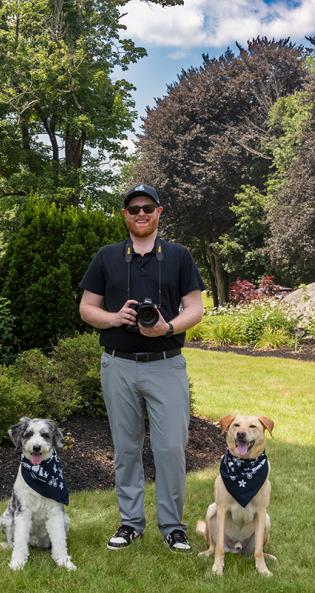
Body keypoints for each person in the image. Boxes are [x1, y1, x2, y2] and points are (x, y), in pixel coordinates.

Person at [79, 183, 205, 552]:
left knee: (170, 449)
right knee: (127, 449)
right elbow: (87, 308)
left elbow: (195, 308)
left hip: (166, 365)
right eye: (133, 208)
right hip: (118, 365)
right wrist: (116, 317)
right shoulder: (107, 257)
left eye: (148, 208)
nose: (141, 214)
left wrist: (167, 327)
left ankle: (173, 527)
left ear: (159, 212)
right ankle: (130, 523)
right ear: (125, 215)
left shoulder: (179, 256)